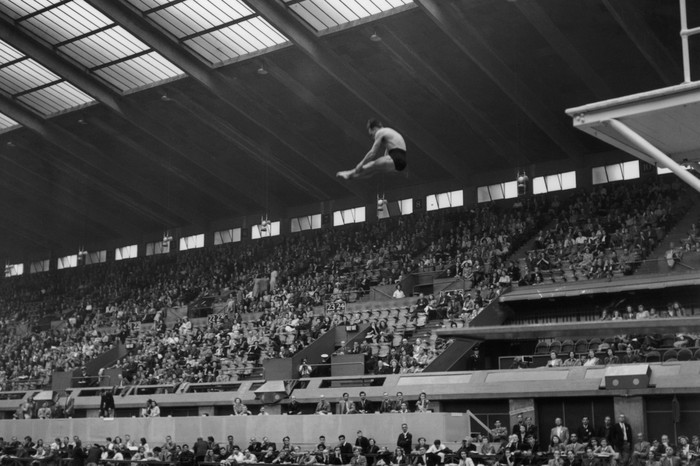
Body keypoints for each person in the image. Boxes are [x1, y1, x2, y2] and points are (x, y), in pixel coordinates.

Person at [336, 119, 407, 180]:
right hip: (401, 162)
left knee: (372, 164)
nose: (373, 137)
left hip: (396, 157)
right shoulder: (389, 132)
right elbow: (389, 151)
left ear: (375, 129)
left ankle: (350, 172)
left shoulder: (380, 132)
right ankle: (350, 177)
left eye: (372, 134)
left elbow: (372, 153)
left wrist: (361, 163)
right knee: (373, 171)